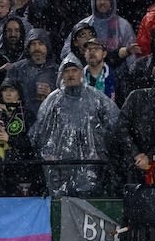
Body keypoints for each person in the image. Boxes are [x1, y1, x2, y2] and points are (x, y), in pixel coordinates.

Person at [31, 55, 121, 197]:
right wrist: (48, 154)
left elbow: (115, 125)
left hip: (91, 164)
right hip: (60, 167)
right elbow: (41, 132)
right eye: (67, 71)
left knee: (88, 201)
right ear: (61, 75)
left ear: (81, 73)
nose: (71, 74)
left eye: (74, 70)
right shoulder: (52, 101)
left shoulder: (97, 98)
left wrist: (101, 151)